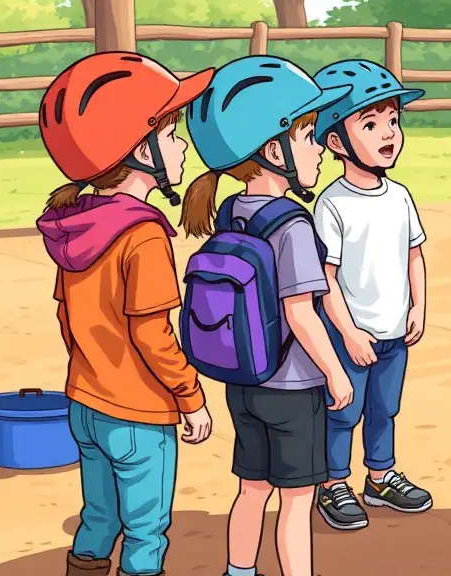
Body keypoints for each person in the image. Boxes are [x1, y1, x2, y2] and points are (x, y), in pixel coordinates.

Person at [36, 52, 215, 576]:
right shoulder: (143, 233)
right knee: (145, 531)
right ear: (142, 149)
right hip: (138, 411)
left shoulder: (77, 225)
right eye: (172, 134)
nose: (182, 145)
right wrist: (191, 397)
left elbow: (66, 317)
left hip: (85, 402)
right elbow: (153, 333)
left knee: (98, 517)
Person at [179, 55, 354, 576]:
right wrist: (336, 372)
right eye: (307, 133)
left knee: (251, 489)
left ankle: (239, 571)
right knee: (297, 500)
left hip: (243, 381)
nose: (320, 145)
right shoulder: (293, 225)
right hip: (292, 386)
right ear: (274, 150)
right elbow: (300, 312)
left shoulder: (233, 210)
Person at [309, 59, 432, 531]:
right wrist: (349, 332)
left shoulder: (399, 196)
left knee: (386, 408)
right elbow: (326, 278)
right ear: (336, 142)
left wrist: (419, 306)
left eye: (393, 121)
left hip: (394, 332)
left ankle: (380, 476)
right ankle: (333, 481)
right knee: (343, 412)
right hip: (350, 336)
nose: (389, 133)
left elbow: (413, 256)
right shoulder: (333, 204)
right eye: (371, 122)